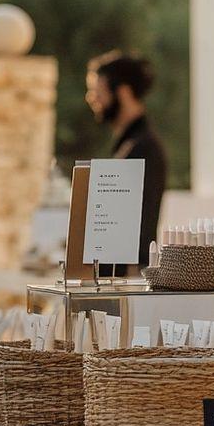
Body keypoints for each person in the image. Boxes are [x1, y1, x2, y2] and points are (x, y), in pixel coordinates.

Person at [85, 51, 168, 270]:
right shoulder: (133, 144)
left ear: (122, 93)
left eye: (97, 91)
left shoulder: (142, 147)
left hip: (127, 278)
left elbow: (136, 227)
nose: (91, 98)